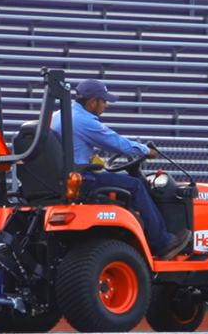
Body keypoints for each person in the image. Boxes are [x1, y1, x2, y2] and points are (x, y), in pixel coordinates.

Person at [51, 79, 191, 260]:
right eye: (103, 101)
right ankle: (162, 243)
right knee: (135, 186)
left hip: (63, 177)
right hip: (82, 180)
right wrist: (146, 151)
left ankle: (133, 237)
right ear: (92, 101)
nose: (106, 106)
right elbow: (118, 143)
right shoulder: (83, 121)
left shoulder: (59, 115)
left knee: (117, 183)